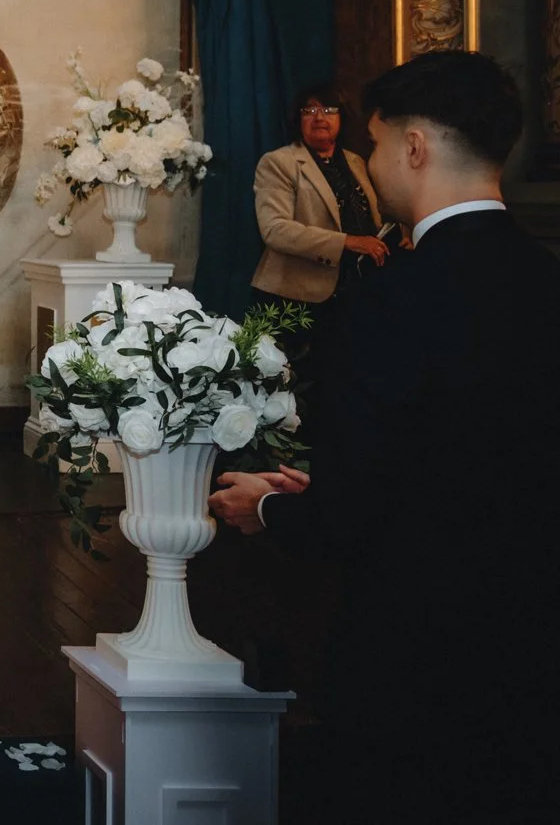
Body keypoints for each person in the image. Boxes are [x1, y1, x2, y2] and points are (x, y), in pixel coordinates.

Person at [210, 51, 559, 823]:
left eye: (375, 142)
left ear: (415, 146)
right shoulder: (545, 279)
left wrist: (270, 506)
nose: (370, 160)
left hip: (416, 648)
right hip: (536, 643)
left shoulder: (391, 297)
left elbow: (352, 513)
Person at [250, 82, 386, 341]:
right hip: (294, 298)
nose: (320, 117)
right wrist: (346, 242)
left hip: (356, 291)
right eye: (309, 110)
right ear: (298, 119)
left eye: (329, 109)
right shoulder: (279, 162)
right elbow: (275, 230)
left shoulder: (356, 161)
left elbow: (372, 215)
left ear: (342, 117)